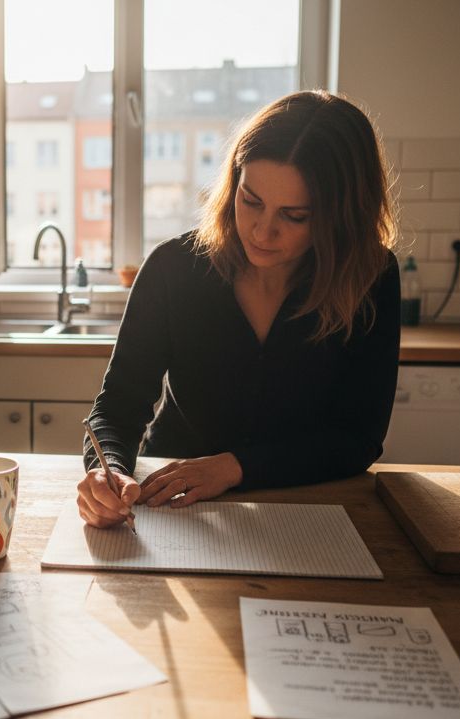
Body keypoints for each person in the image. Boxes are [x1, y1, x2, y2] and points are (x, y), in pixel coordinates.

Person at [77, 90, 400, 529]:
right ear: (234, 182)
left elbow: (357, 439)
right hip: (173, 506)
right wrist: (108, 469)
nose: (263, 231)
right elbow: (118, 405)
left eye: (295, 215)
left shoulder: (370, 276)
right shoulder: (175, 267)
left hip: (305, 506)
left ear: (341, 217)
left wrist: (234, 467)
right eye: (250, 200)